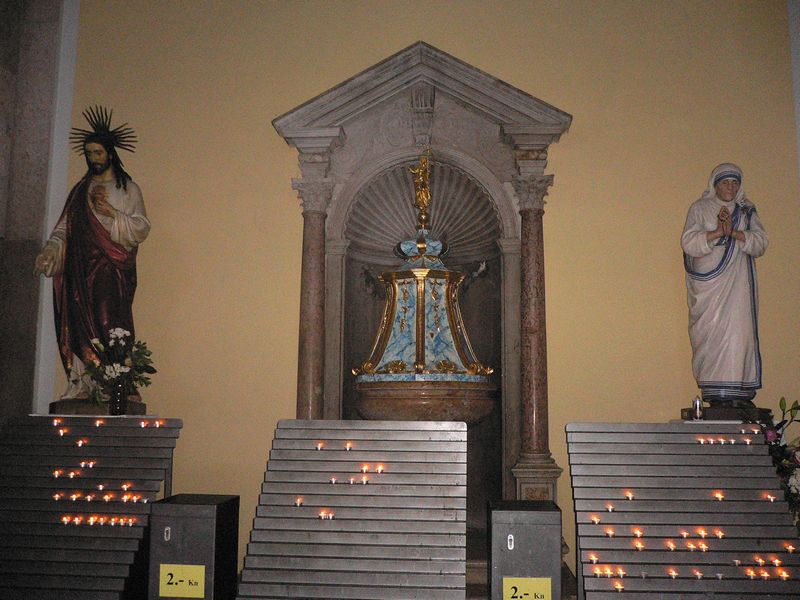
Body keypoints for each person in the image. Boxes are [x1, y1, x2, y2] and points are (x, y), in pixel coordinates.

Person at [34, 107, 150, 399]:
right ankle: (85, 384)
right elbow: (65, 228)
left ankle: (116, 383)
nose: (94, 159)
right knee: (79, 325)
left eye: (98, 153)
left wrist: (111, 214)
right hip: (80, 270)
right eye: (89, 154)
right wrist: (51, 249)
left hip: (111, 270)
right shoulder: (80, 190)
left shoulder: (127, 189)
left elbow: (141, 227)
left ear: (110, 153)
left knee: (110, 321)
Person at [681, 163, 768, 408]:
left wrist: (735, 234)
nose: (730, 187)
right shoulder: (700, 208)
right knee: (711, 330)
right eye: (725, 182)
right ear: (715, 185)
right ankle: (716, 392)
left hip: (738, 283)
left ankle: (738, 393)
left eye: (735, 183)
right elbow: (689, 242)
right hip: (709, 288)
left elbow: (761, 243)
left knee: (739, 332)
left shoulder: (746, 210)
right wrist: (718, 232)